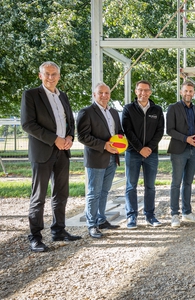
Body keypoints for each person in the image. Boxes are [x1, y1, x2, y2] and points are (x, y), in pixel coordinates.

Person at [21, 61, 82, 252]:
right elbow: (28, 124)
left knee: (61, 193)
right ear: (40, 76)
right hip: (43, 151)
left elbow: (70, 121)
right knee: (38, 196)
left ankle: (58, 230)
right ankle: (35, 237)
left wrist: (70, 136)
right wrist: (55, 139)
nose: (50, 77)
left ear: (59, 76)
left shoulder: (62, 96)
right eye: (47, 74)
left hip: (63, 151)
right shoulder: (31, 95)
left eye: (54, 74)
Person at [76, 82, 122, 238]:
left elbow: (119, 133)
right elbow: (82, 136)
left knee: (104, 191)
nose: (104, 96)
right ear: (94, 95)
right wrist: (104, 146)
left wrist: (122, 141)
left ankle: (102, 220)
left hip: (112, 158)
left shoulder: (114, 113)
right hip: (96, 158)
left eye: (107, 93)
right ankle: (92, 224)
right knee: (94, 193)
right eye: (100, 93)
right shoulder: (86, 112)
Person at [122, 80, 165, 229]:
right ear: (135, 91)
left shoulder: (157, 110)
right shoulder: (128, 109)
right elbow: (128, 131)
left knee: (150, 186)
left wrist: (149, 148)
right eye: (140, 90)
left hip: (151, 154)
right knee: (131, 186)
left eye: (146, 90)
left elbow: (160, 131)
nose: (143, 93)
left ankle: (150, 216)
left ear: (150, 92)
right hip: (133, 153)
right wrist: (140, 148)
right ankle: (131, 217)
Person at [166, 81, 195, 228]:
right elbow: (170, 130)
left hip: (193, 151)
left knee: (188, 183)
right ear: (181, 92)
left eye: (191, 91)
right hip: (179, 150)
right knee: (176, 183)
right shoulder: (173, 108)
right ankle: (174, 214)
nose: (188, 93)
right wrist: (185, 138)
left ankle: (187, 213)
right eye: (186, 91)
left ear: (193, 93)